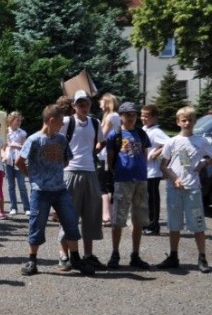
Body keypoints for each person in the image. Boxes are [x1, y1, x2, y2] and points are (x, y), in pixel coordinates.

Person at [17, 105, 95, 276]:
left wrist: (55, 171)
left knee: (71, 222)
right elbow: (19, 161)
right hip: (40, 190)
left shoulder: (61, 139)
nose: (62, 125)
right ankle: (32, 260)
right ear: (51, 121)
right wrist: (31, 176)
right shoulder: (34, 140)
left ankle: (75, 258)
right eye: (60, 121)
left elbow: (66, 160)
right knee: (36, 224)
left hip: (60, 189)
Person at [157, 107, 212, 273]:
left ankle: (202, 257)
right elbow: (163, 166)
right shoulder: (172, 142)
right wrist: (174, 178)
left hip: (193, 189)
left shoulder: (201, 142)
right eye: (183, 120)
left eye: (190, 120)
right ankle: (173, 256)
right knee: (174, 223)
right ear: (178, 122)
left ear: (194, 121)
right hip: (174, 189)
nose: (187, 123)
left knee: (197, 223)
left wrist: (205, 163)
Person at [56, 89, 107, 272]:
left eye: (86, 103)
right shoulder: (68, 122)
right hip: (70, 171)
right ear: (73, 106)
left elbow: (102, 141)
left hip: (90, 171)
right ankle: (64, 255)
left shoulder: (95, 122)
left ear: (90, 104)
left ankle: (88, 255)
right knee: (68, 214)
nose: (83, 106)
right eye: (80, 104)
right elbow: (55, 140)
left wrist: (92, 152)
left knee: (91, 215)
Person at [106, 102, 152, 270]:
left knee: (138, 219)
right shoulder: (115, 135)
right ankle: (115, 253)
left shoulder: (141, 133)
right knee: (118, 219)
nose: (131, 118)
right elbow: (110, 158)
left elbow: (145, 154)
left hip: (140, 180)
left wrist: (142, 171)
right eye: (128, 115)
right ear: (121, 117)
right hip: (122, 180)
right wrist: (115, 172)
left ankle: (135, 254)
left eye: (134, 115)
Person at [141, 105, 170, 236]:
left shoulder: (156, 131)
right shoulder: (144, 129)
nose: (143, 118)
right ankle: (146, 223)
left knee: (152, 199)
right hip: (144, 170)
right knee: (145, 198)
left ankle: (154, 225)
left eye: (147, 116)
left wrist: (157, 152)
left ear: (154, 117)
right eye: (142, 115)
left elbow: (169, 143)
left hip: (153, 172)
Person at [98, 93, 121, 227]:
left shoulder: (111, 117)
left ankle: (106, 215)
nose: (100, 104)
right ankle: (111, 214)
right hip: (111, 154)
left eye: (101, 102)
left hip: (105, 155)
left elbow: (102, 135)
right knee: (110, 185)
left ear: (107, 102)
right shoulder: (116, 116)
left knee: (103, 186)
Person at [3, 111, 29, 217]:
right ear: (11, 120)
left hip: (18, 161)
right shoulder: (5, 132)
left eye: (20, 120)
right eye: (17, 120)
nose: (19, 122)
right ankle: (13, 207)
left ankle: (27, 207)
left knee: (22, 185)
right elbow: (3, 145)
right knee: (11, 186)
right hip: (8, 161)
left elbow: (25, 146)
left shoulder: (22, 133)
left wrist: (16, 145)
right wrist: (4, 154)